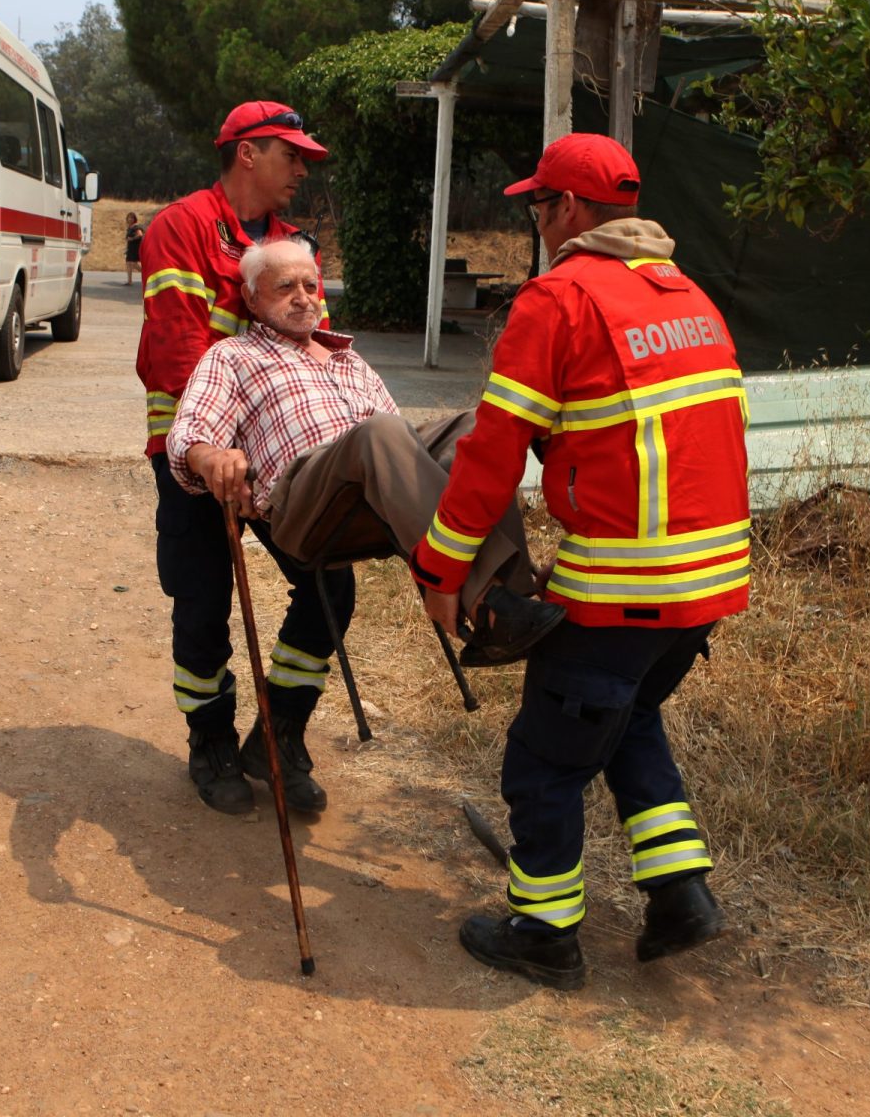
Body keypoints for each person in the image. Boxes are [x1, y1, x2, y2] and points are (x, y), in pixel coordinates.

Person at [411, 133, 753, 991]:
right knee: (628, 719)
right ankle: (680, 894)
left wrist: (440, 571)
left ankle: (545, 934)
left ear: (567, 210)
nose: (535, 220)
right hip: (709, 585)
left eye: (538, 205)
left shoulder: (556, 299)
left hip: (624, 587)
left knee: (544, 760)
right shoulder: (688, 294)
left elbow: (494, 452)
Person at [166, 238, 566, 812]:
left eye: (311, 284)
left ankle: (511, 590)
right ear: (253, 300)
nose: (304, 297)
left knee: (477, 428)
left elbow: (402, 441)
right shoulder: (233, 357)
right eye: (285, 287)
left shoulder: (350, 358)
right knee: (377, 433)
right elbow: (189, 433)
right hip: (303, 503)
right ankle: (490, 607)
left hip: (373, 499)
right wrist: (212, 457)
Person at [136, 101, 334, 816]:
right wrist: (218, 451)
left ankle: (278, 738)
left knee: (328, 590)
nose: (303, 169)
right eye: (292, 155)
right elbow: (179, 347)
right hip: (197, 455)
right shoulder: (181, 228)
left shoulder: (290, 245)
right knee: (202, 606)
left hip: (281, 462)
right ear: (247, 152)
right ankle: (210, 741)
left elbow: (317, 344)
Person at [122, 212, 143, 286]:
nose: (130, 219)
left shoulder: (136, 227)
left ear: (134, 219)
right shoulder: (129, 227)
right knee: (128, 263)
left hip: (135, 247)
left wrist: (132, 239)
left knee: (134, 263)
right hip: (130, 248)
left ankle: (146, 273)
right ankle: (129, 281)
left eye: (132, 218)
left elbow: (140, 235)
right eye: (129, 217)